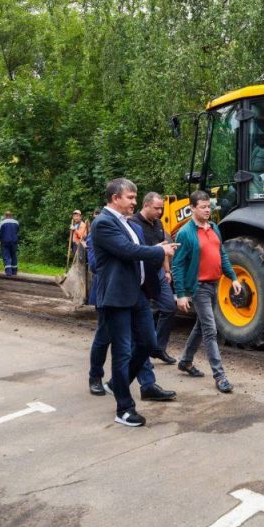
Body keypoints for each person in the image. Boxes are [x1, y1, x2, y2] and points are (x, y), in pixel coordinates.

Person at [90, 178, 178, 427]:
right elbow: (127, 251)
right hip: (117, 296)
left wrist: (157, 248)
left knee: (149, 344)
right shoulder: (103, 223)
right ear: (115, 198)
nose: (134, 202)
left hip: (136, 293)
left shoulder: (126, 222)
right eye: (130, 197)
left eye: (135, 197)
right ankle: (124, 409)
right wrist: (159, 251)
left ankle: (117, 384)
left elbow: (135, 249)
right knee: (122, 352)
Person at [87, 227, 176, 404]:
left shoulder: (134, 230)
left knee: (142, 342)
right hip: (110, 294)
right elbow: (95, 265)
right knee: (104, 337)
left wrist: (152, 251)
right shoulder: (100, 232)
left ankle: (146, 385)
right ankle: (95, 376)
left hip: (134, 293)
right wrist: (123, 254)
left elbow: (138, 254)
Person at [172, 190, 242, 393]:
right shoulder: (185, 233)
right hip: (199, 287)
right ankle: (220, 376)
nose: (207, 210)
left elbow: (222, 255)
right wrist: (181, 294)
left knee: (201, 326)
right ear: (192, 208)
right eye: (202, 207)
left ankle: (185, 361)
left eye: (208, 206)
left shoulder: (213, 227)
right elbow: (177, 265)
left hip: (214, 285)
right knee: (211, 330)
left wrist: (233, 277)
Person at [130, 192, 178, 364]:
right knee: (142, 314)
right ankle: (142, 352)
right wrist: (155, 249)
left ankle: (158, 348)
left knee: (169, 307)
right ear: (146, 205)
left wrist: (167, 271)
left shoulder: (158, 223)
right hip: (142, 274)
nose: (160, 212)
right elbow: (133, 251)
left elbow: (163, 249)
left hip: (158, 273)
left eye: (161, 208)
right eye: (157, 208)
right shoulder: (133, 223)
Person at [0, 210, 19, 277]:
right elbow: (17, 231)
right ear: (11, 215)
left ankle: (9, 272)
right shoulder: (16, 222)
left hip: (5, 242)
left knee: (6, 256)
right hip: (14, 241)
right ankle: (14, 271)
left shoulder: (2, 222)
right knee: (14, 255)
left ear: (5, 216)